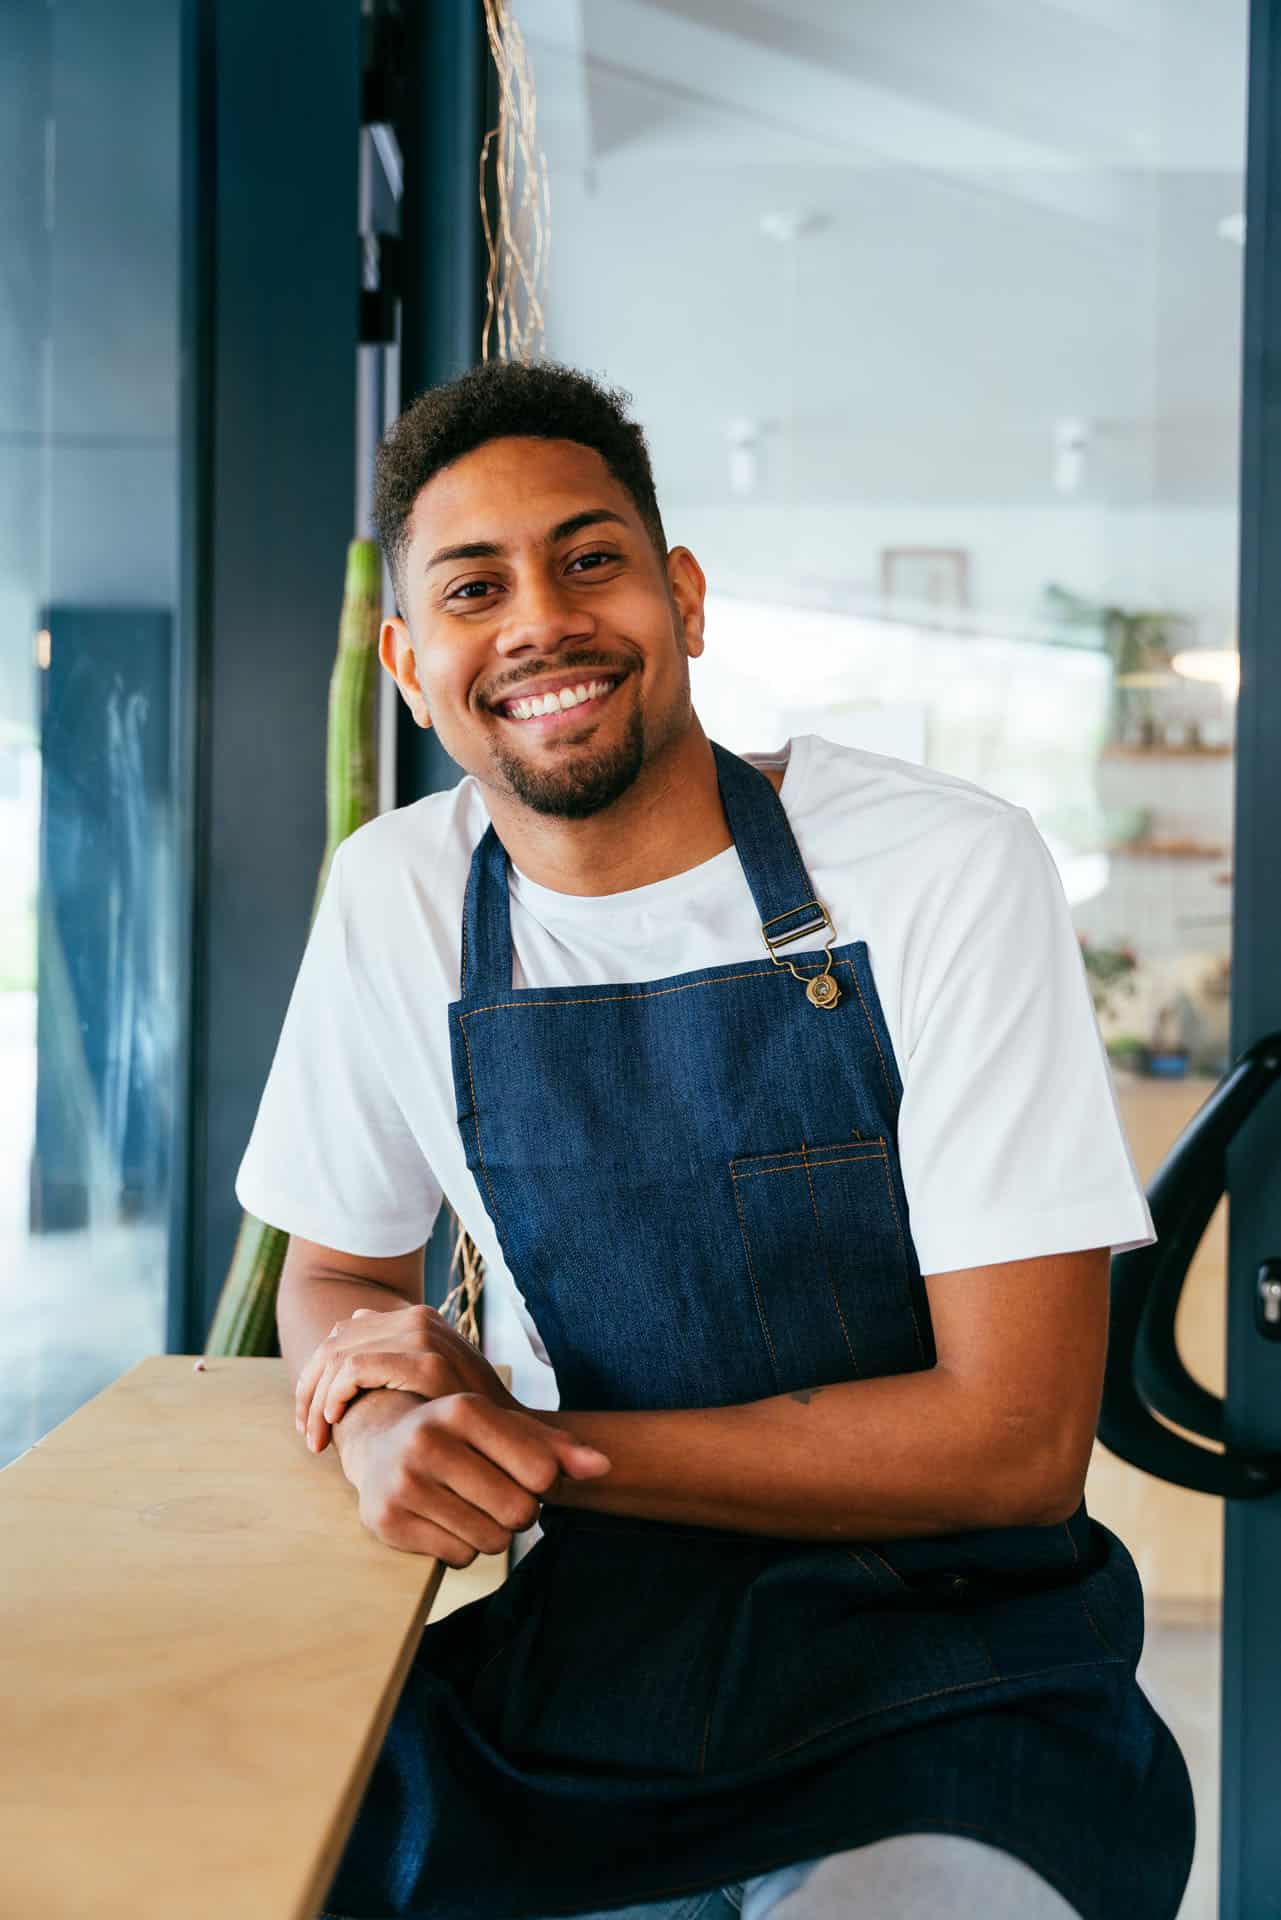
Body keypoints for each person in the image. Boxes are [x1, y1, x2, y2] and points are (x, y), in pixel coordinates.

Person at [236, 358, 1195, 1920]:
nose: (540, 618)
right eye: (477, 587)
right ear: (409, 663)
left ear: (680, 595)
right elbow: (334, 1269)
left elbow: (1013, 1443)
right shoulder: (396, 898)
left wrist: (530, 1450)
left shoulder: (940, 871)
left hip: (951, 1661)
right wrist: (379, 1428)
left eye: (588, 558)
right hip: (592, 1663)